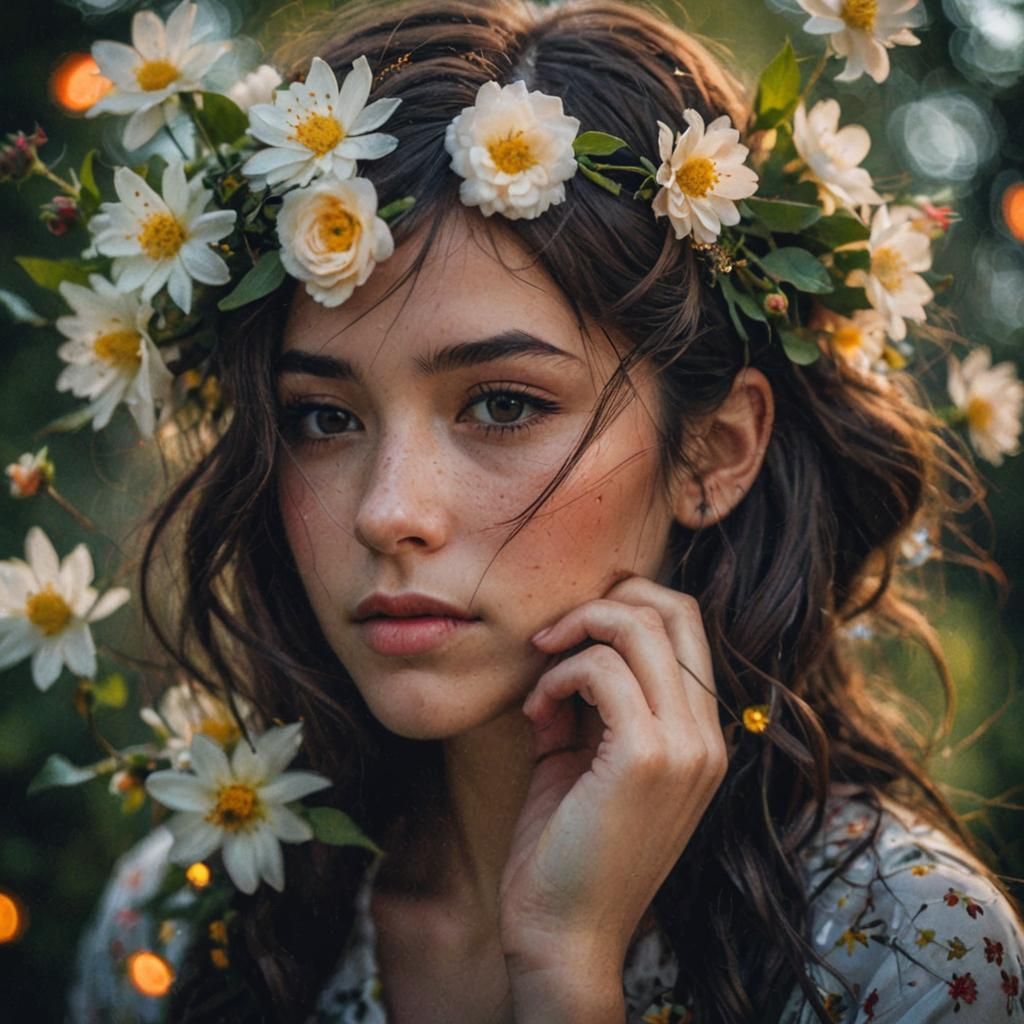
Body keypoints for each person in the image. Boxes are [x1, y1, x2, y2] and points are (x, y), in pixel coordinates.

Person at [67, 1, 1024, 1022]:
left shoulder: (905, 955)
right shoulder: (179, 923)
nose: (388, 512)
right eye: (323, 418)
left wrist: (566, 968)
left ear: (714, 450)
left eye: (502, 406)